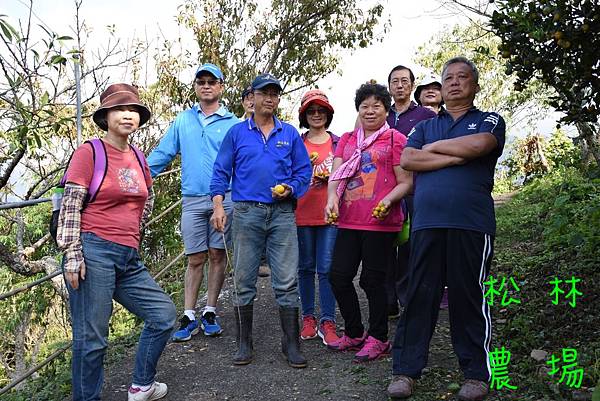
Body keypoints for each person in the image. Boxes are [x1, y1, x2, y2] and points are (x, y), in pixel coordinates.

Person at [387, 57, 506, 401]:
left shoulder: (488, 120)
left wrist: (434, 151)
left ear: (475, 84)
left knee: (469, 295)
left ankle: (475, 373)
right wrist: (457, 155)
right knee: (419, 296)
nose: (454, 83)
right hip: (427, 221)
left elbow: (480, 145)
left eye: (462, 77)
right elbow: (409, 159)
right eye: (448, 78)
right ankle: (405, 371)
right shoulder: (425, 125)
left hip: (471, 222)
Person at [57, 83, 176, 401]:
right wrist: (72, 253)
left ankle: (141, 385)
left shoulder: (138, 156)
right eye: (121, 109)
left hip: (128, 256)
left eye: (134, 110)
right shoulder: (89, 152)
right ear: (105, 116)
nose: (128, 115)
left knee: (163, 315)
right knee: (92, 339)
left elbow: (146, 198)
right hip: (93, 251)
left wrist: (132, 233)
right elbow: (71, 204)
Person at [210, 73, 312, 368]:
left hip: (281, 214)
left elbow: (303, 173)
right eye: (263, 92)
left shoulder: (290, 133)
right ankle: (244, 343)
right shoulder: (237, 133)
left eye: (274, 93)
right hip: (245, 212)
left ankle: (290, 343)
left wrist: (290, 188)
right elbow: (220, 172)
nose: (269, 98)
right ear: (250, 98)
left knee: (287, 280)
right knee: (243, 278)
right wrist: (218, 205)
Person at [147, 63, 239, 341]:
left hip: (225, 197)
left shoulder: (233, 123)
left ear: (221, 87)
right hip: (191, 198)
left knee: (217, 254)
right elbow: (163, 153)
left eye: (212, 81)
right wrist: (137, 176)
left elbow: (243, 161)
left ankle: (210, 310)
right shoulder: (183, 120)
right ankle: (188, 315)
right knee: (195, 257)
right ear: (196, 87)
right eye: (201, 81)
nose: (207, 85)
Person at [325, 83, 413, 363]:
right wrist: (331, 199)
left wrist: (388, 201)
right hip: (348, 220)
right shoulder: (348, 139)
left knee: (372, 280)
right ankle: (354, 332)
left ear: (386, 110)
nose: (370, 110)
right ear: (358, 110)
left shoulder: (395, 139)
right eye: (365, 105)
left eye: (376, 105)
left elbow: (406, 182)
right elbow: (336, 176)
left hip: (380, 222)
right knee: (338, 276)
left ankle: (379, 338)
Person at [385, 65, 437, 319]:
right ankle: (388, 300)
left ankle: (406, 295)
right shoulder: (381, 114)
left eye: (404, 81)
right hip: (385, 190)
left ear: (412, 85)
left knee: (410, 245)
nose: (400, 85)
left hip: (416, 189)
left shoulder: (426, 115)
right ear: (390, 87)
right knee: (383, 244)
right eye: (395, 81)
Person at [295, 89, 340, 346]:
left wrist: (331, 178)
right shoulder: (298, 143)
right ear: (304, 115)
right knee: (305, 268)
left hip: (329, 214)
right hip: (301, 212)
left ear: (328, 113)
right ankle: (308, 317)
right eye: (311, 111)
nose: (316, 115)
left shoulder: (338, 142)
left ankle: (328, 320)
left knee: (326, 268)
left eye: (320, 110)